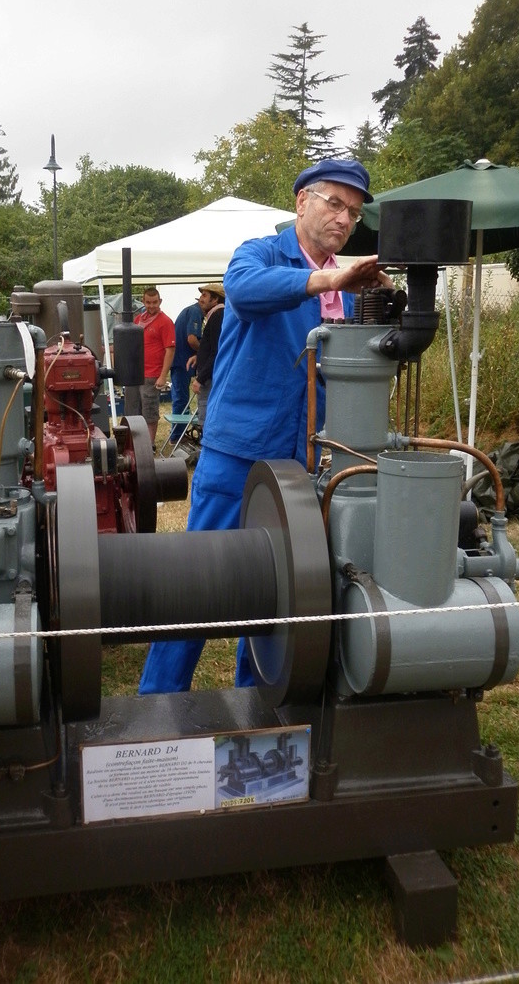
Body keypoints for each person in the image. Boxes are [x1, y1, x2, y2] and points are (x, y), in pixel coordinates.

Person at [139, 158, 393, 695]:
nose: (344, 219)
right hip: (239, 455)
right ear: (302, 201)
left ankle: (258, 708)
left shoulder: (349, 291)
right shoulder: (259, 255)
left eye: (353, 211)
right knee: (198, 589)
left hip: (306, 461)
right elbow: (248, 290)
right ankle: (157, 710)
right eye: (334, 203)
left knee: (279, 590)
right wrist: (328, 277)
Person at [123, 287, 176, 448]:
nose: (151, 305)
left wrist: (163, 375)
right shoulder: (139, 319)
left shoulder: (165, 322)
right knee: (132, 410)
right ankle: (133, 445)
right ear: (143, 301)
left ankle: (149, 446)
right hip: (135, 373)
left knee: (150, 412)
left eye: (155, 302)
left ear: (160, 302)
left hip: (152, 374)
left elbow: (170, 349)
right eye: (148, 302)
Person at [187, 283, 225, 432]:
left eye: (204, 295)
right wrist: (199, 356)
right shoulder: (215, 315)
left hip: (209, 379)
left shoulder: (218, 316)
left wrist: (200, 379)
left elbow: (218, 352)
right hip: (209, 375)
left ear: (215, 300)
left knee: (206, 419)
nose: (200, 299)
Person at [168, 295, 204, 442]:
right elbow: (192, 339)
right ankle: (177, 436)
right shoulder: (195, 312)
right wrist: (205, 352)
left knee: (181, 398)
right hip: (182, 361)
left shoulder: (191, 310)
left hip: (181, 360)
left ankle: (179, 434)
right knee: (181, 399)